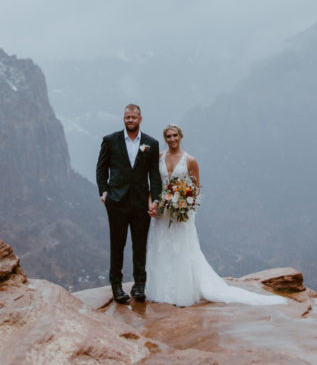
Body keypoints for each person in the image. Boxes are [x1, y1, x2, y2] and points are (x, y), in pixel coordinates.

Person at [145, 124, 286, 307]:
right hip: (162, 213)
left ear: (181, 136)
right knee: (162, 248)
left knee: (181, 250)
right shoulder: (158, 158)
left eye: (175, 135)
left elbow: (195, 189)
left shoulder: (190, 161)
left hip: (180, 213)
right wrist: (152, 205)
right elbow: (153, 185)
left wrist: (182, 203)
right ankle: (162, 291)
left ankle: (182, 292)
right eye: (168, 136)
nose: (172, 139)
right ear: (165, 139)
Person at [96, 104, 162, 303]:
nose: (130, 120)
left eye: (134, 117)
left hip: (141, 202)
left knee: (139, 244)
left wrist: (156, 199)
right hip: (116, 200)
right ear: (123, 118)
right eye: (127, 117)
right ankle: (116, 287)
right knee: (117, 244)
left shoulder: (151, 143)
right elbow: (101, 169)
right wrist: (104, 192)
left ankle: (139, 285)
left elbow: (154, 174)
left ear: (140, 118)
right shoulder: (110, 141)